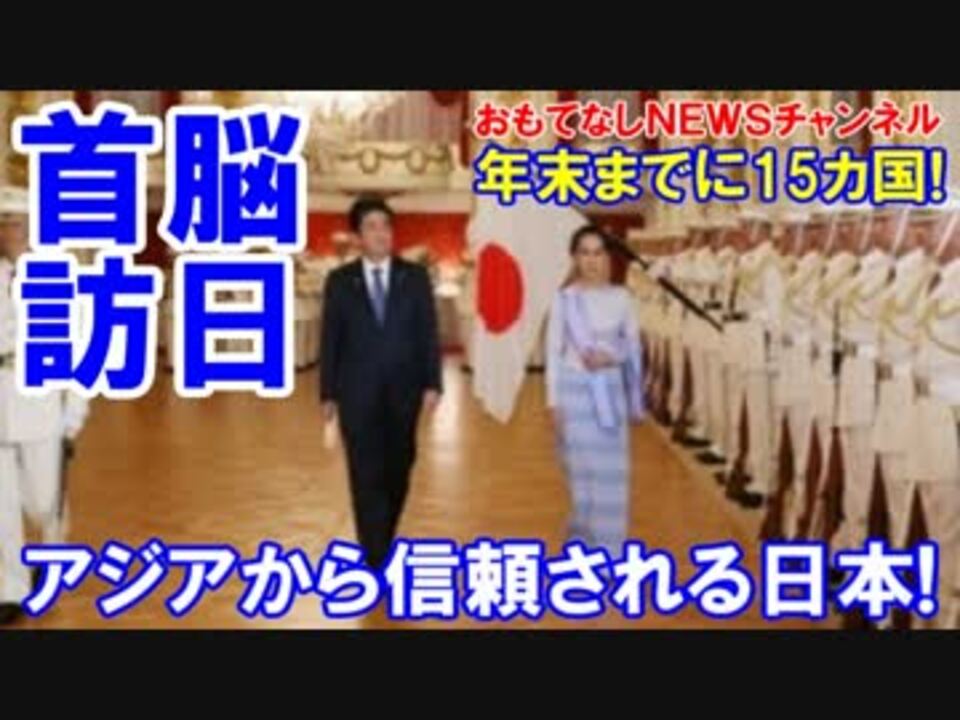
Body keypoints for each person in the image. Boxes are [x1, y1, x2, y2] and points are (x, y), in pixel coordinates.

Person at [319, 196, 442, 571]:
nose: (381, 233)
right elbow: (331, 339)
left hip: (405, 391)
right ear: (358, 236)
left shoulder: (414, 277)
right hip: (357, 393)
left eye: (386, 226)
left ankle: (382, 536)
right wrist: (327, 393)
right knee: (364, 472)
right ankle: (375, 555)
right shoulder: (341, 282)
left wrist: (433, 382)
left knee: (400, 467)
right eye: (371, 227)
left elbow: (428, 332)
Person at [0, 186, 89, 626]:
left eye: (17, 222)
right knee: (2, 504)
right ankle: (11, 588)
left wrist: (74, 415)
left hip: (41, 401)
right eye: (4, 224)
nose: (10, 231)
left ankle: (53, 559)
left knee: (43, 500)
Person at [546, 225, 645, 554]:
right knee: (582, 477)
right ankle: (583, 546)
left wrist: (611, 356)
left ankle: (610, 551)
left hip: (610, 397)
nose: (591, 260)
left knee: (611, 476)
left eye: (598, 253)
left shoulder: (622, 297)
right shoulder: (565, 300)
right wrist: (553, 403)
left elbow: (633, 345)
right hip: (573, 395)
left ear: (608, 258)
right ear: (575, 258)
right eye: (584, 253)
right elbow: (553, 352)